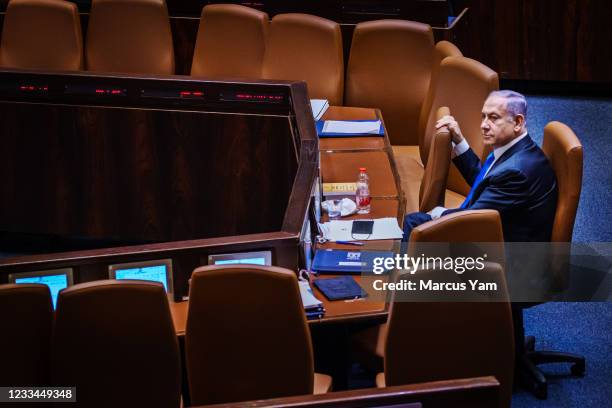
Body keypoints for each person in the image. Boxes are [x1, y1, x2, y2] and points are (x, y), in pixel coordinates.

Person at [403, 90, 557, 242]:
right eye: (483, 116)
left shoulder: (516, 173)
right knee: (414, 222)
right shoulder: (520, 150)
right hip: (498, 231)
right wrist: (459, 141)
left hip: (504, 256)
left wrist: (439, 213)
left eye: (493, 118)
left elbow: (473, 222)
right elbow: (487, 181)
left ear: (517, 122)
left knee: (411, 224)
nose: (484, 125)